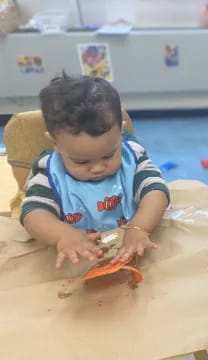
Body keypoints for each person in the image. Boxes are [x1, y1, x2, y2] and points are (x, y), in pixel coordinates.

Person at [21, 74, 170, 269]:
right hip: (79, 257)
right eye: (81, 161)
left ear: (120, 133)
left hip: (134, 245)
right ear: (55, 144)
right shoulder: (49, 173)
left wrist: (139, 227)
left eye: (108, 155)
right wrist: (63, 235)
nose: (98, 168)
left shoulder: (131, 156)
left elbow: (156, 191)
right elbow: (33, 214)